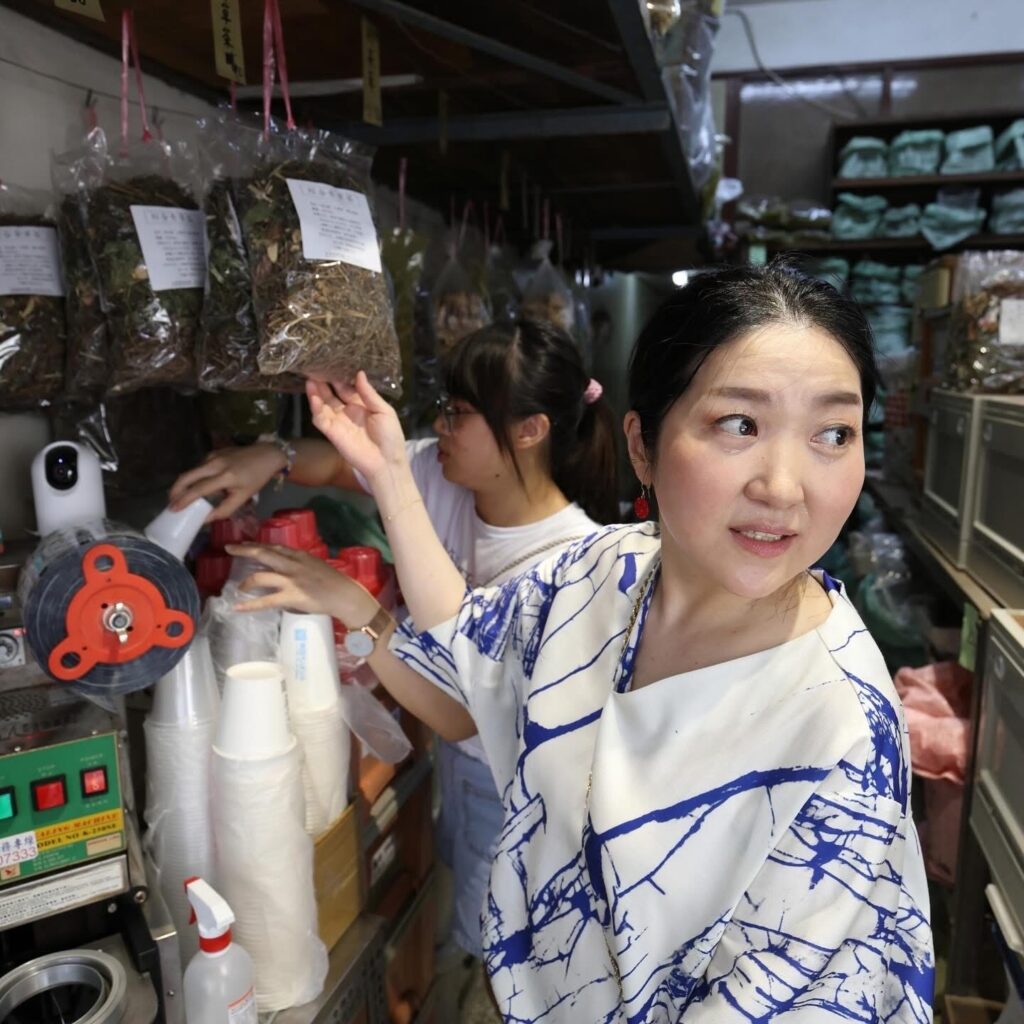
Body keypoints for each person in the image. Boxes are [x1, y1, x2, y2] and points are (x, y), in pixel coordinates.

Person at [225, 262, 935, 1023]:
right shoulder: (604, 572)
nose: (785, 487)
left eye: (834, 433)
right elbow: (468, 651)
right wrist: (389, 479)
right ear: (643, 446)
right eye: (740, 424)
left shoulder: (843, 729)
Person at [169, 318, 619, 966]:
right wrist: (274, 456)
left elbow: (462, 710)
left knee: (509, 957)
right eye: (443, 406)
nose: (440, 425)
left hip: (517, 795)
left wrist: (355, 607)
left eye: (458, 413)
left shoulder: (572, 566)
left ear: (529, 431)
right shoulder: (445, 475)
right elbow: (348, 465)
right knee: (472, 912)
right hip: (462, 766)